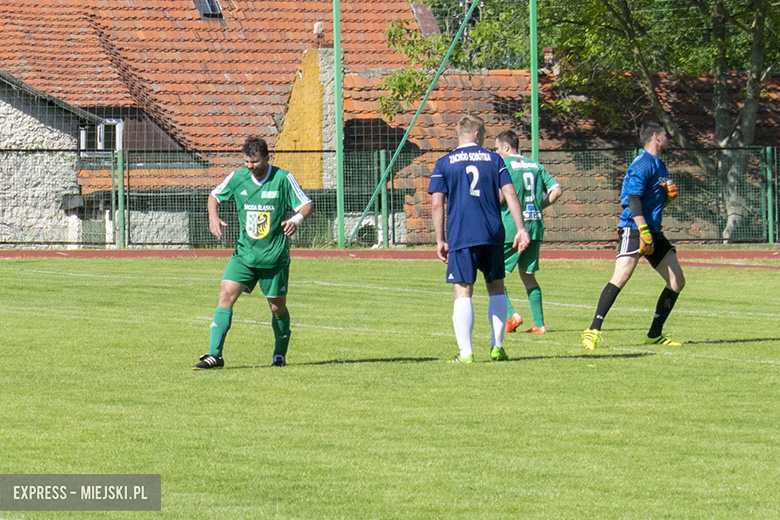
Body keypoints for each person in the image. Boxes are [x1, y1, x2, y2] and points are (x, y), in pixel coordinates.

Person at [193, 136, 313, 369]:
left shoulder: (283, 179)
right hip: (244, 255)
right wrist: (213, 216)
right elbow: (214, 195)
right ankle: (215, 355)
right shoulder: (238, 178)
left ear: (267, 158)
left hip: (273, 257)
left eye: (255, 162)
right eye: (247, 162)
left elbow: (306, 204)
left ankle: (279, 353)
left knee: (277, 307)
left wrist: (296, 220)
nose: (250, 167)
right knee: (225, 295)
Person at [428, 114, 530, 364]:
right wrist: (521, 228)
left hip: (461, 233)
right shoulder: (494, 159)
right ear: (477, 135)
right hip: (492, 232)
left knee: (463, 290)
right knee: (496, 288)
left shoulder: (444, 162)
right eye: (484, 134)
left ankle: (466, 353)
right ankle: (497, 347)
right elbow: (510, 194)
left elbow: (436, 204)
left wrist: (440, 239)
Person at [581, 121, 683, 350]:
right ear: (656, 137)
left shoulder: (659, 165)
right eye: (665, 135)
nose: (668, 139)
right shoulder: (643, 163)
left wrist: (668, 198)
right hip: (635, 228)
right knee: (621, 276)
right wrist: (644, 231)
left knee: (677, 281)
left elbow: (652, 201)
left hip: (652, 230)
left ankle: (654, 334)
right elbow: (632, 199)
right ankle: (592, 330)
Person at [495, 129, 562, 334]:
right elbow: (557, 190)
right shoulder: (536, 165)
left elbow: (500, 198)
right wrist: (539, 206)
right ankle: (539, 324)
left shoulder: (504, 165)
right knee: (528, 275)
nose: (496, 153)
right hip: (534, 226)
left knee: (493, 274)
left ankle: (511, 316)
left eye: (497, 149)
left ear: (506, 147)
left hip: (512, 228)